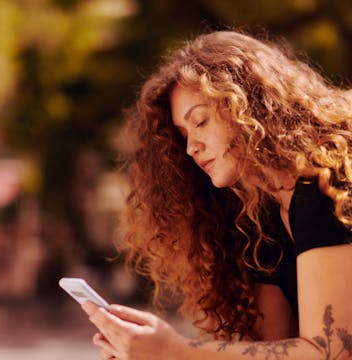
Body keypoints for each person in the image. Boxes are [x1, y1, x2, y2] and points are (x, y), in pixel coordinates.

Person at [82, 30, 352, 359]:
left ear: (252, 107)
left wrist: (176, 351)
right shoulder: (260, 214)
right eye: (182, 135)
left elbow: (332, 351)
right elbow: (267, 351)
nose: (191, 147)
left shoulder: (326, 184)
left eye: (201, 121)